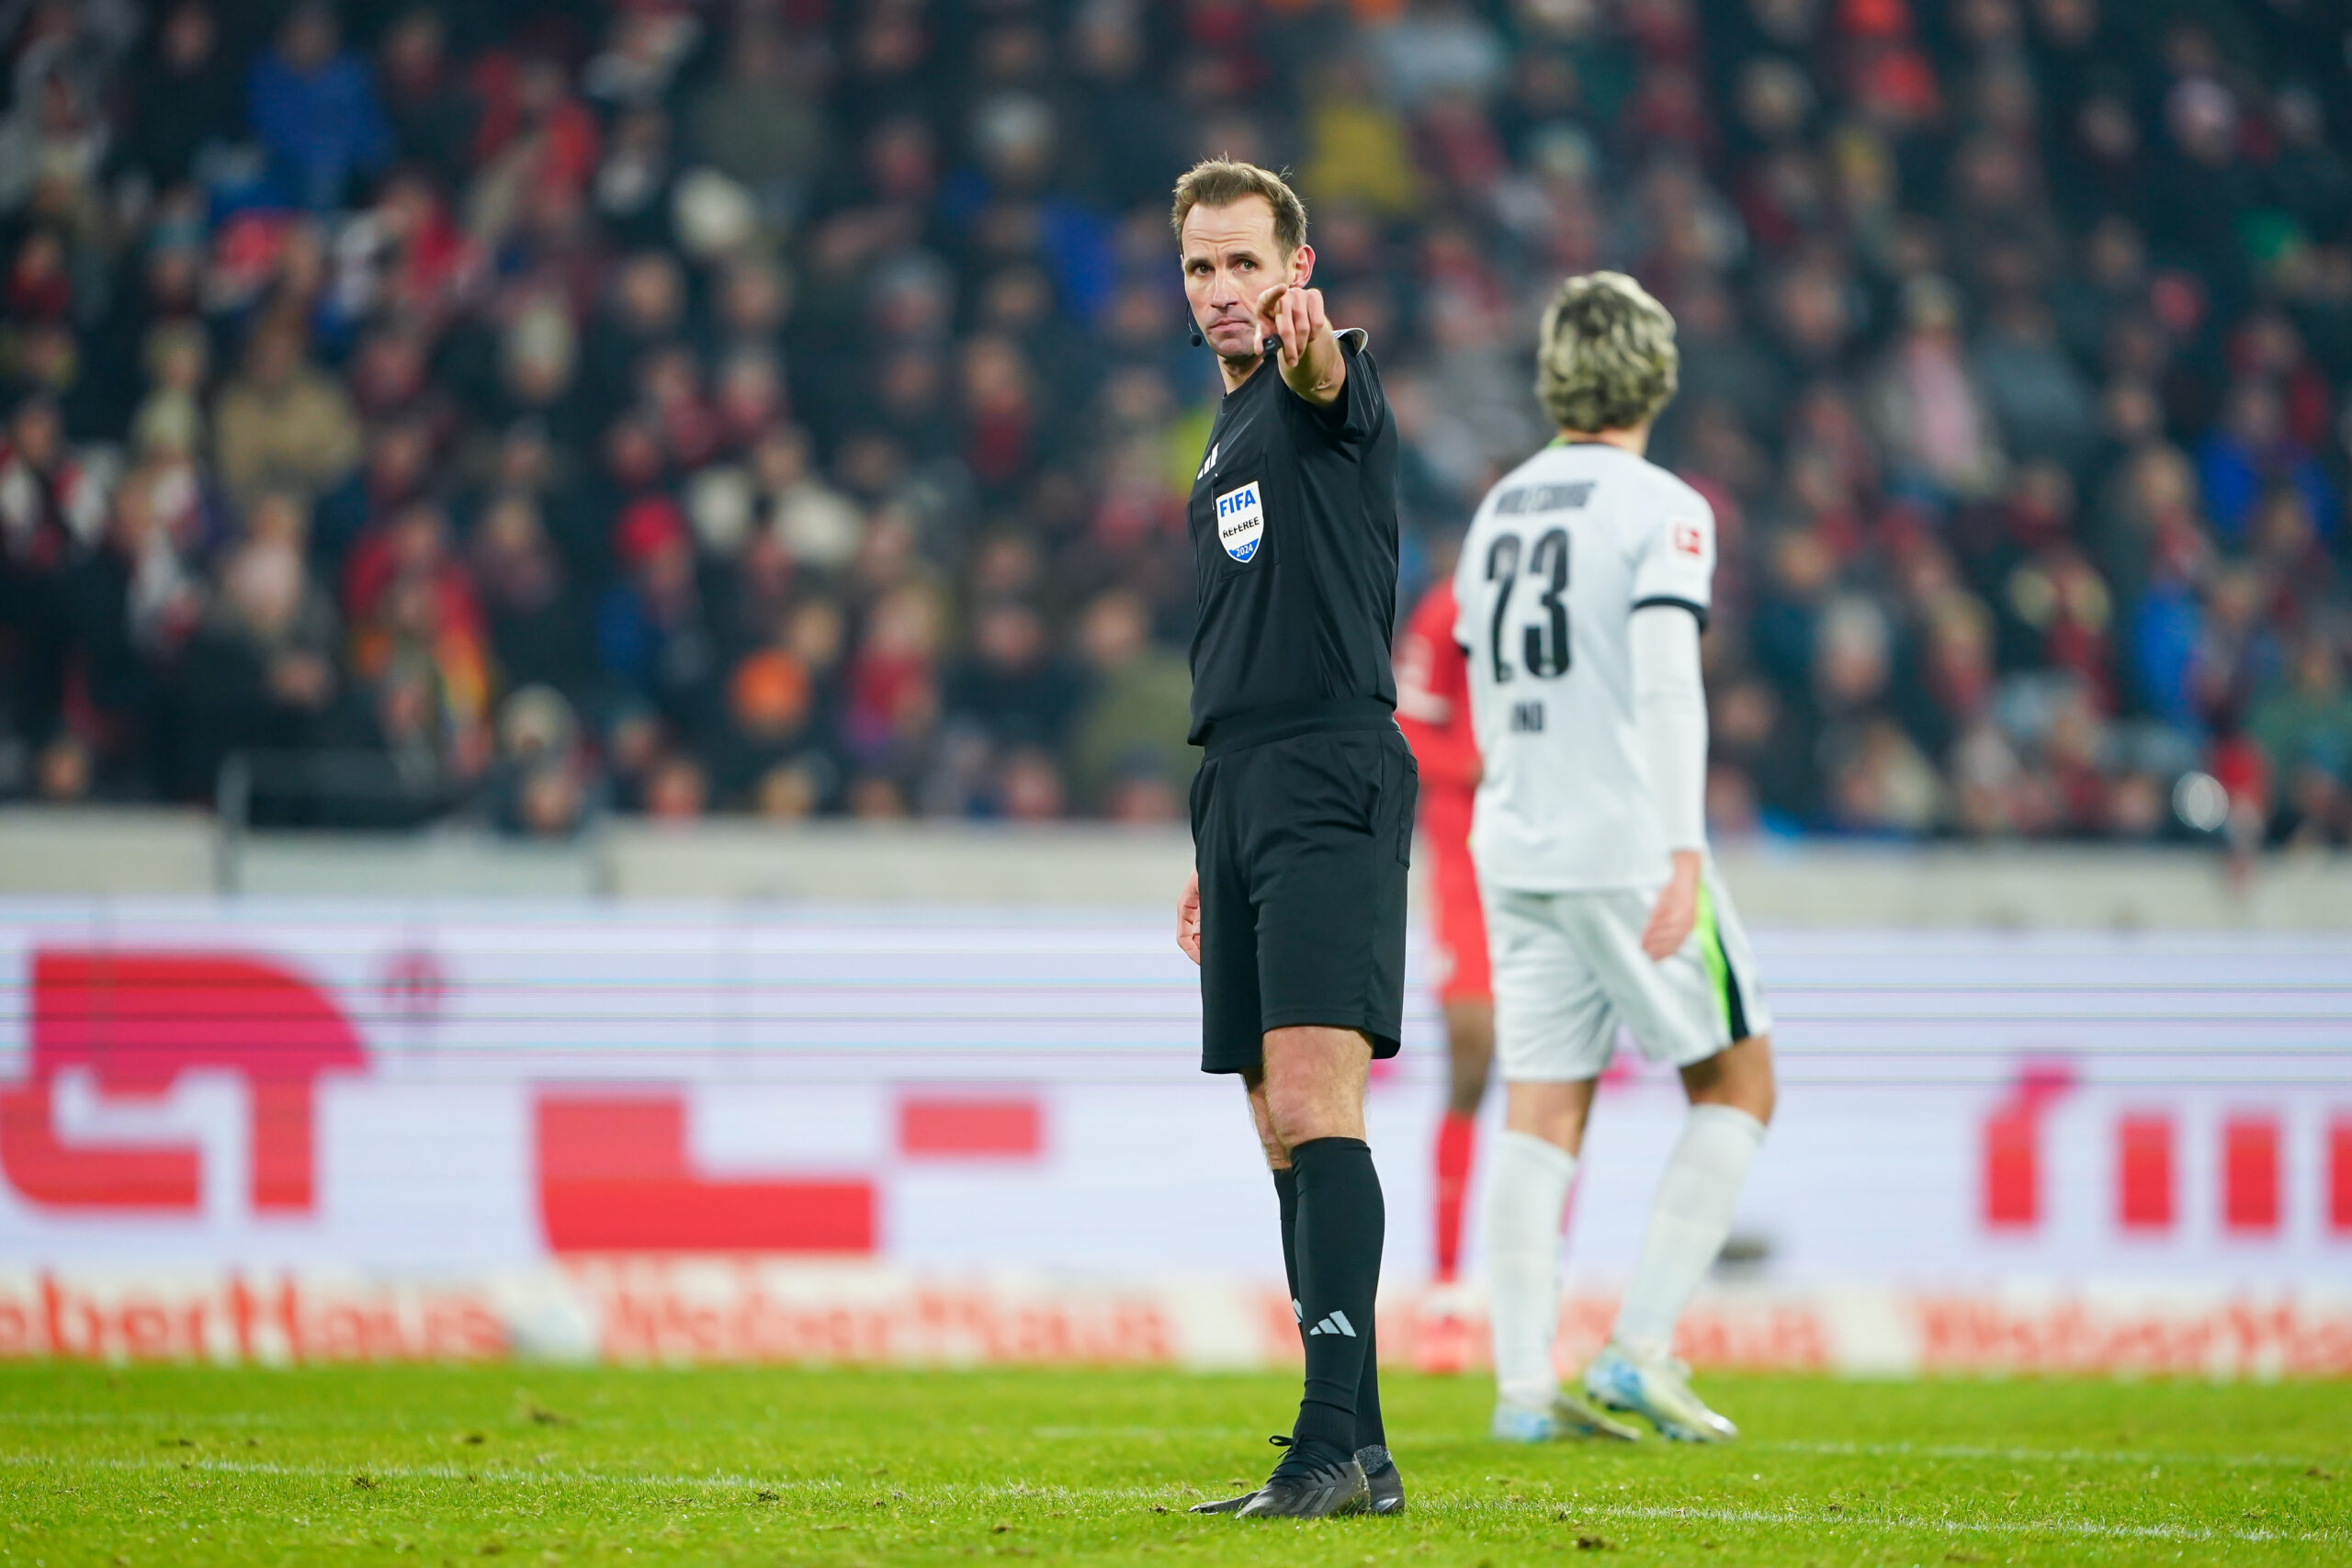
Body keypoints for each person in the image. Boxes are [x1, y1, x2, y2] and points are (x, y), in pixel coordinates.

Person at [1453, 272, 1775, 1445]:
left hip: (1516, 836)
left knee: (1541, 1104)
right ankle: (1639, 1349)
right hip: (1623, 839)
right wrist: (1681, 847)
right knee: (1738, 1081)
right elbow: (1665, 681)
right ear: (1657, 375)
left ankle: (1521, 1392)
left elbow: (1483, 680)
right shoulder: (1663, 506)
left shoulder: (1498, 510)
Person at [1169, 160, 1411, 1520]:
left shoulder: (1327, 385)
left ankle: (1321, 1449)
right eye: (1201, 267)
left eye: (1245, 264)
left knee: (1318, 1102)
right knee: (1276, 1125)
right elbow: (1235, 641)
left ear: (1295, 272)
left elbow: (1327, 377)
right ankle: (1360, 1449)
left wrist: (1313, 348)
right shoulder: (1218, 440)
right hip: (1241, 784)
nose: (1224, 290)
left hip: (1329, 769)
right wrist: (1207, 840)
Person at [1391, 570, 1495, 1368]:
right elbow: (1407, 730)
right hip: (1469, 859)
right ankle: (1447, 1288)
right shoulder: (1452, 606)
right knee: (1472, 1054)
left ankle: (1533, 1295)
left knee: (1559, 1076)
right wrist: (1476, 765)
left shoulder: (1588, 591)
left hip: (1563, 856)